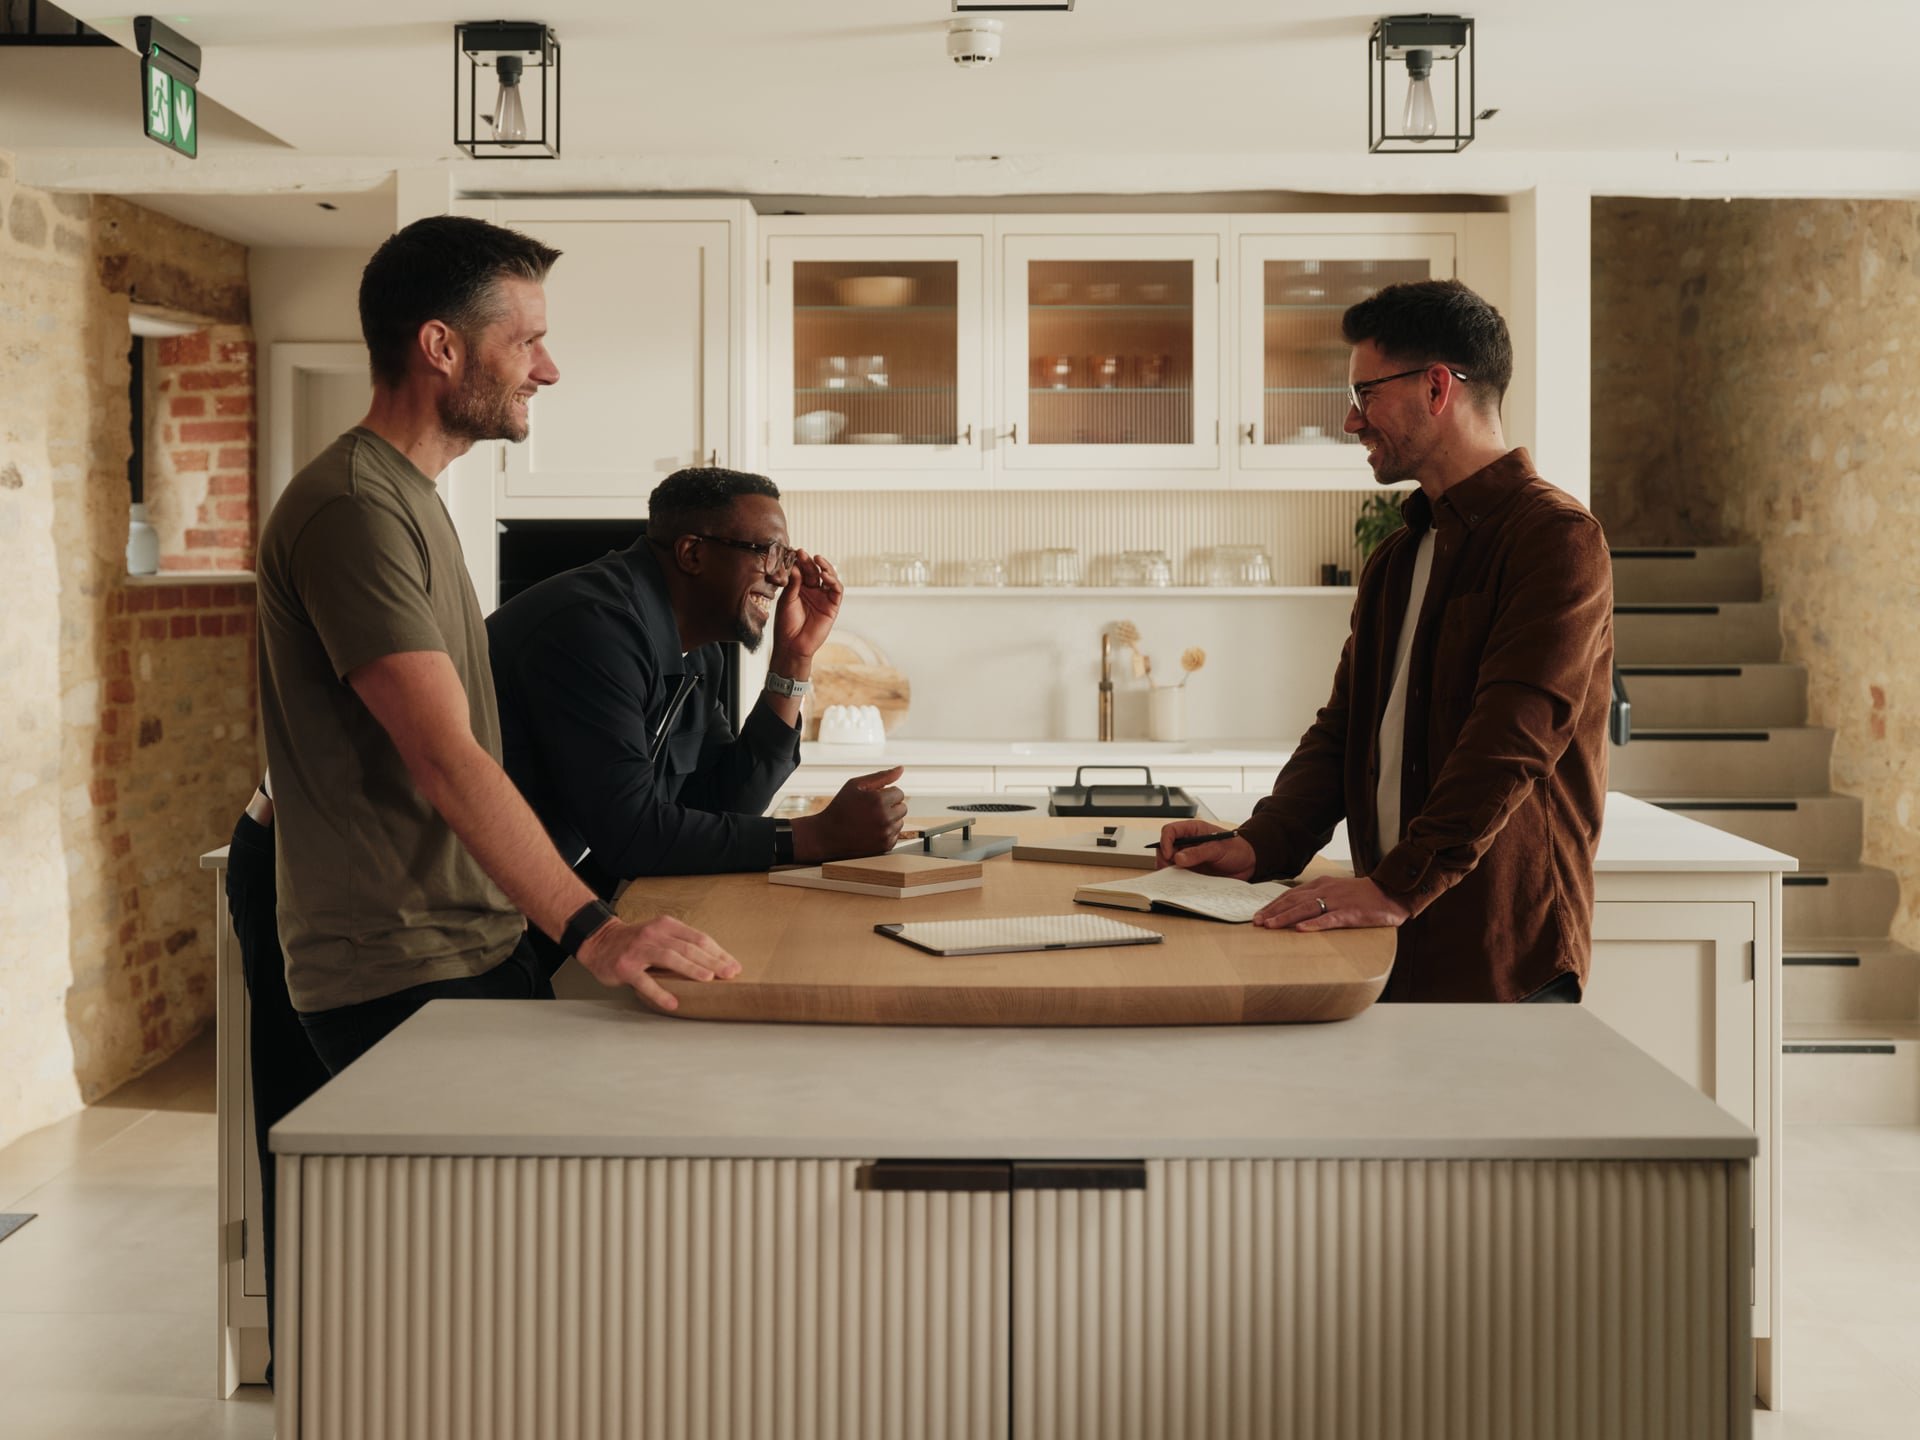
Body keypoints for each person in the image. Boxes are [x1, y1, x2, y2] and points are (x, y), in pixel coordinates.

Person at [256, 214, 737, 1079]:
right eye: (527, 343)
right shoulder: (355, 508)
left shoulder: (408, 496)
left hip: (466, 942)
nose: (547, 369)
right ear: (441, 345)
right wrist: (598, 930)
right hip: (399, 967)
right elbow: (445, 756)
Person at [1157, 279, 1613, 1003]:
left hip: (1497, 955)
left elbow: (1512, 742)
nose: (1350, 419)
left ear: (1437, 388)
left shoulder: (1554, 539)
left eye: (1366, 393)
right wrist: (1260, 844)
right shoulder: (1398, 559)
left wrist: (1398, 888)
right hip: (1388, 933)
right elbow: (1346, 733)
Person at [486, 466, 907, 899]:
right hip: (477, 918)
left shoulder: (697, 649)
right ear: (692, 553)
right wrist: (817, 836)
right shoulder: (593, 629)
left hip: (547, 896)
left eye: (786, 558)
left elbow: (723, 802)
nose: (782, 578)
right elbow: (630, 834)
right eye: (767, 552)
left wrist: (793, 659)